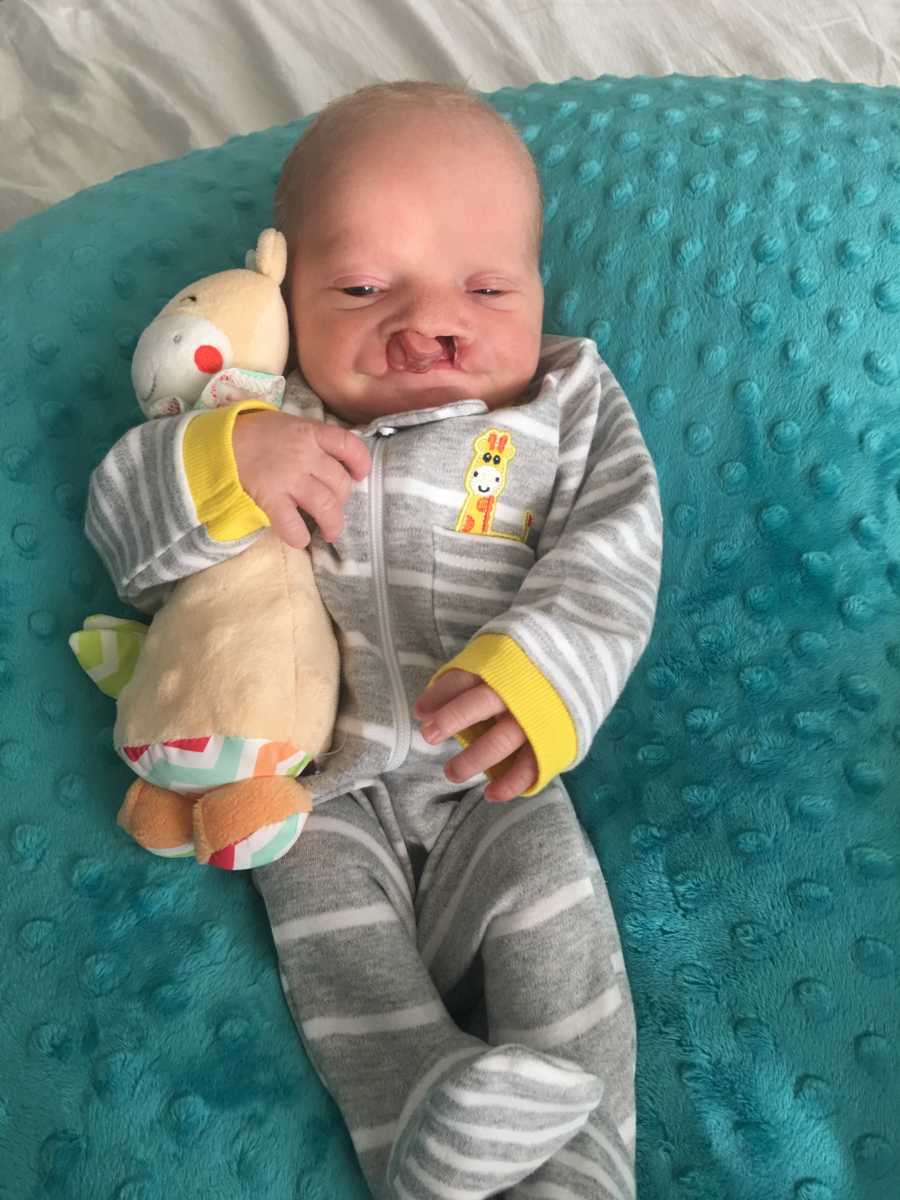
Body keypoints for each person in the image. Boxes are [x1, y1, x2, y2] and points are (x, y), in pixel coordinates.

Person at [86, 80, 662, 1200]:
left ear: (539, 289)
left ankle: (584, 1158)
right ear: (288, 293)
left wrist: (544, 669)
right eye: (361, 287)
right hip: (318, 786)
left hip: (483, 770)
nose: (432, 320)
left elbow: (616, 551)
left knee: (554, 905)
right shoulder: (265, 415)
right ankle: (415, 1114)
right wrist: (227, 462)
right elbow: (124, 525)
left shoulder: (561, 402)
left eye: (487, 287)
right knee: (334, 949)